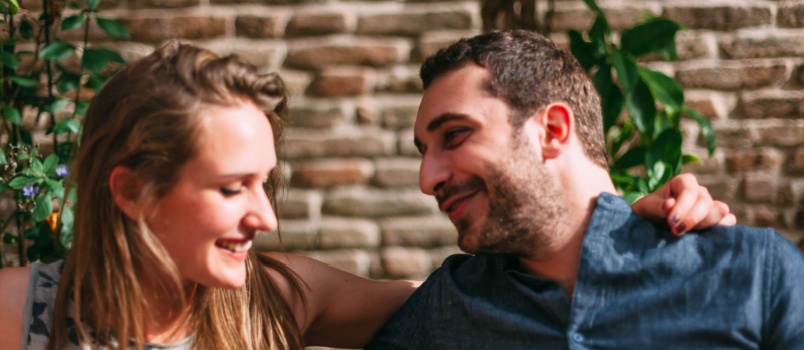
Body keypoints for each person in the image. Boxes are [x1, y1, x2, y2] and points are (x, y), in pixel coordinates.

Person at [0, 42, 730, 349]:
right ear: (129, 192)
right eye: (232, 187)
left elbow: (490, 296)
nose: (267, 215)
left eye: (265, 181)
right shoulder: (21, 316)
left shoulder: (270, 300)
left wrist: (625, 224)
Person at [367, 30, 804, 349]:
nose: (428, 180)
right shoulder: (447, 307)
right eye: (424, 153)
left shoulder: (754, 274)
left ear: (552, 130)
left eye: (456, 135)